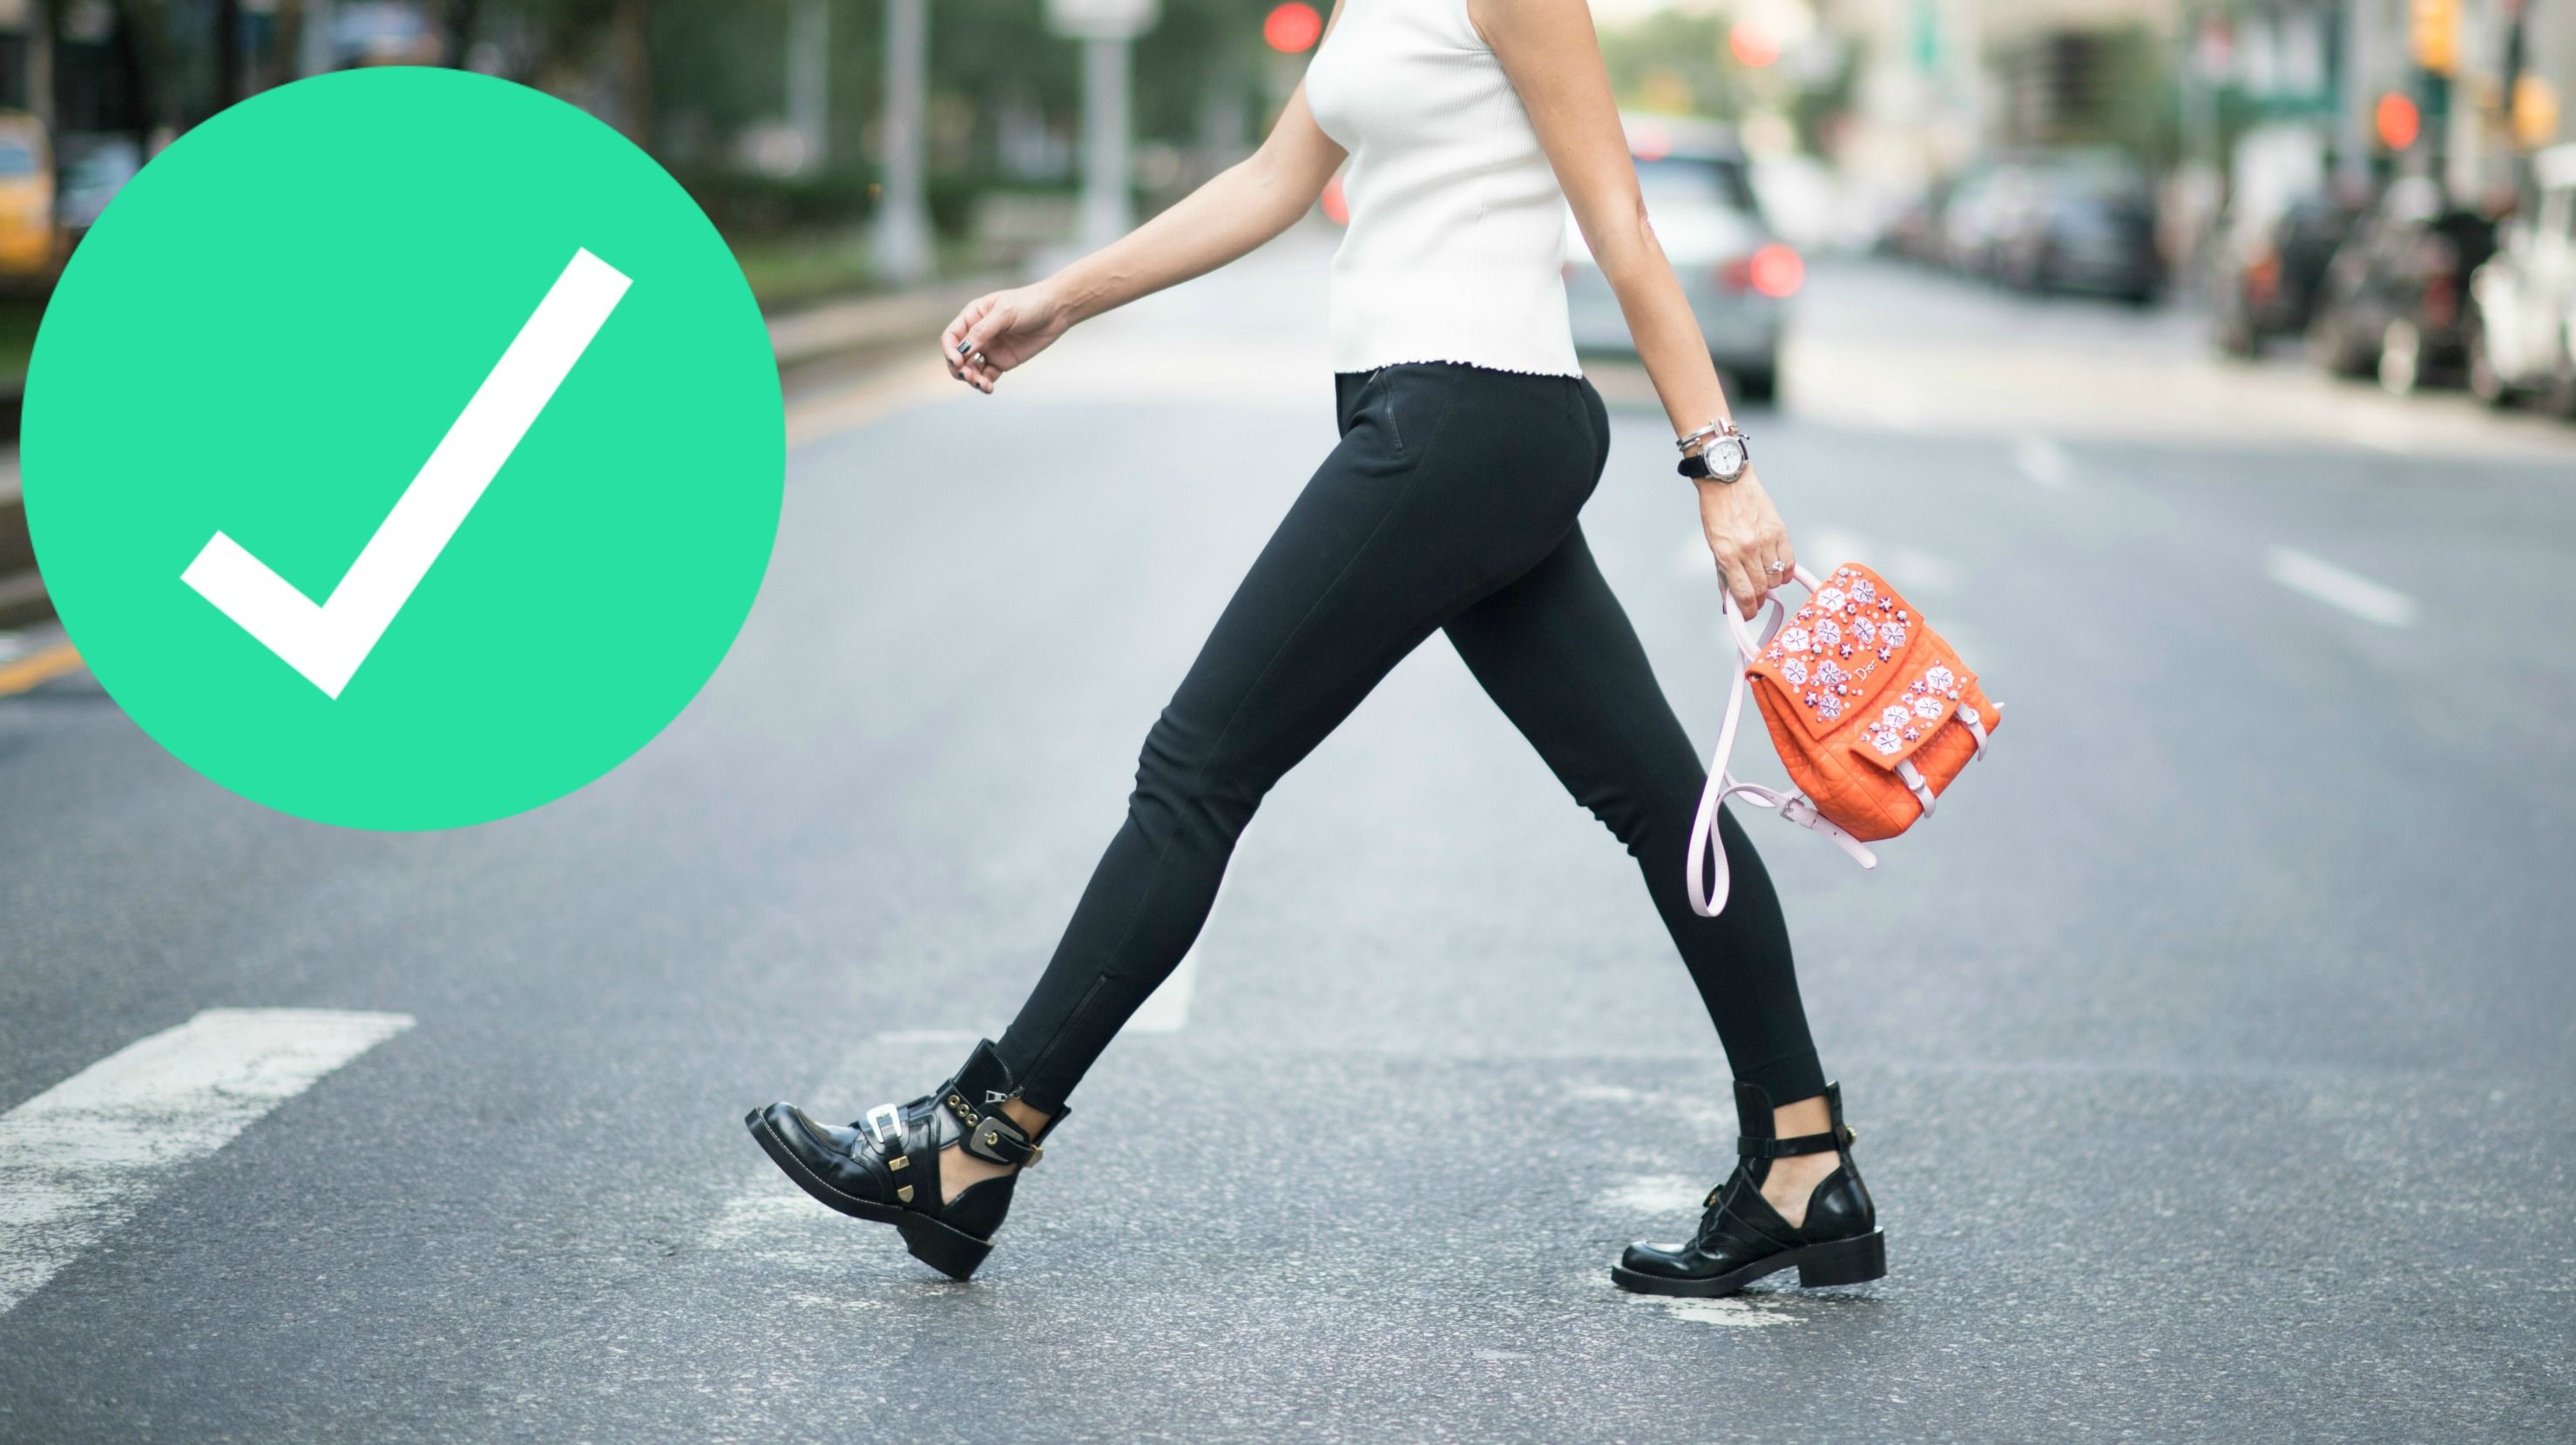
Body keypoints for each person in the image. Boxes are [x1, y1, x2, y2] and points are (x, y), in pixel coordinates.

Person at [745, 0, 1883, 1300]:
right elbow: (1273, 178)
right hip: (1448, 430)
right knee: (1658, 808)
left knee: (1194, 772)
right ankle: (1804, 1162)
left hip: (1465, 421)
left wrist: (1718, 463)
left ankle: (975, 1141)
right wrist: (1061, 300)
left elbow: (1617, 220)